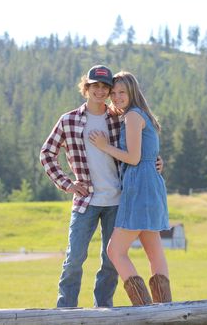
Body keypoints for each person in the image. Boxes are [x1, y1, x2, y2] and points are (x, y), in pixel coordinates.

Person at [40, 65, 163, 308]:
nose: (100, 90)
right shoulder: (69, 120)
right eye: (95, 85)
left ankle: (104, 311)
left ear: (109, 91)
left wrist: (157, 160)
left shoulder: (119, 118)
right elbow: (47, 154)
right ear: (86, 88)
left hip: (118, 200)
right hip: (85, 201)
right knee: (74, 258)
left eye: (105, 87)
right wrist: (68, 184)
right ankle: (65, 311)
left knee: (110, 262)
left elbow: (138, 147)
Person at [89, 71, 172, 306]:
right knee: (154, 250)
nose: (116, 97)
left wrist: (104, 146)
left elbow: (133, 158)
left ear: (132, 92)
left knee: (115, 250)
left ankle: (144, 308)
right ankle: (164, 309)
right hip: (151, 184)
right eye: (113, 93)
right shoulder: (141, 114)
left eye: (121, 92)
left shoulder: (133, 117)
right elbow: (146, 154)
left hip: (139, 186)